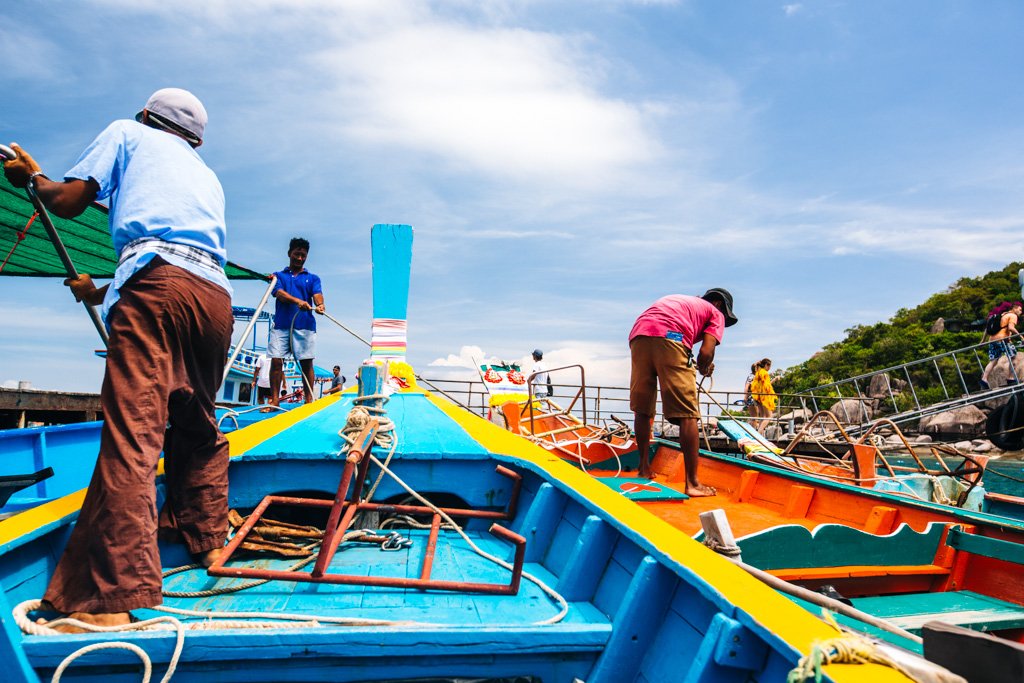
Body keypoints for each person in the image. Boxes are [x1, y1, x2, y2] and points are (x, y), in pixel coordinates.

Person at [2, 88, 232, 631]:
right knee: (197, 423)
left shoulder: (128, 134)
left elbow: (67, 202)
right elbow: (182, 261)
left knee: (135, 435)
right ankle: (207, 541)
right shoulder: (207, 176)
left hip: (155, 285)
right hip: (214, 299)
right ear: (194, 138)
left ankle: (111, 594)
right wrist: (101, 292)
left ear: (147, 117)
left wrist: (32, 179)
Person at [628, 288, 738, 494]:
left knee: (642, 408)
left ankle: (643, 469)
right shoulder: (715, 312)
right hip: (672, 336)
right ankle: (693, 483)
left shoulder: (685, 302)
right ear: (720, 304)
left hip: (639, 335)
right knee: (688, 414)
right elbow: (706, 351)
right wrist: (705, 366)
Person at [268, 237, 324, 408]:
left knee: (306, 363)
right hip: (281, 325)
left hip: (305, 326)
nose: (300, 258)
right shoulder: (278, 276)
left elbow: (317, 295)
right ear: (289, 253)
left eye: (303, 255)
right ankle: (275, 400)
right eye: (297, 254)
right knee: (276, 361)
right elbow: (278, 293)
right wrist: (298, 301)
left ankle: (309, 401)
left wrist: (320, 304)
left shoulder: (313, 278)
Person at [982, 301, 1022, 389]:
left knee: (993, 361)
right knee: (1013, 357)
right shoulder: (1013, 316)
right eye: (1020, 309)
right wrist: (1021, 336)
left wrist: (982, 341)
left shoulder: (1001, 314)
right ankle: (1010, 378)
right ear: (1015, 308)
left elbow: (987, 329)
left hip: (992, 340)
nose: (1021, 312)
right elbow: (1011, 328)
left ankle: (984, 379)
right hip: (1002, 340)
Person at [748, 358, 777, 434]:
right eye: (769, 366)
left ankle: (760, 435)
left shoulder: (758, 372)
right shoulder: (764, 373)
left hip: (758, 397)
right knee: (769, 416)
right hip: (764, 397)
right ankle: (758, 434)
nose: (770, 368)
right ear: (766, 365)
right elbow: (766, 387)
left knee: (762, 417)